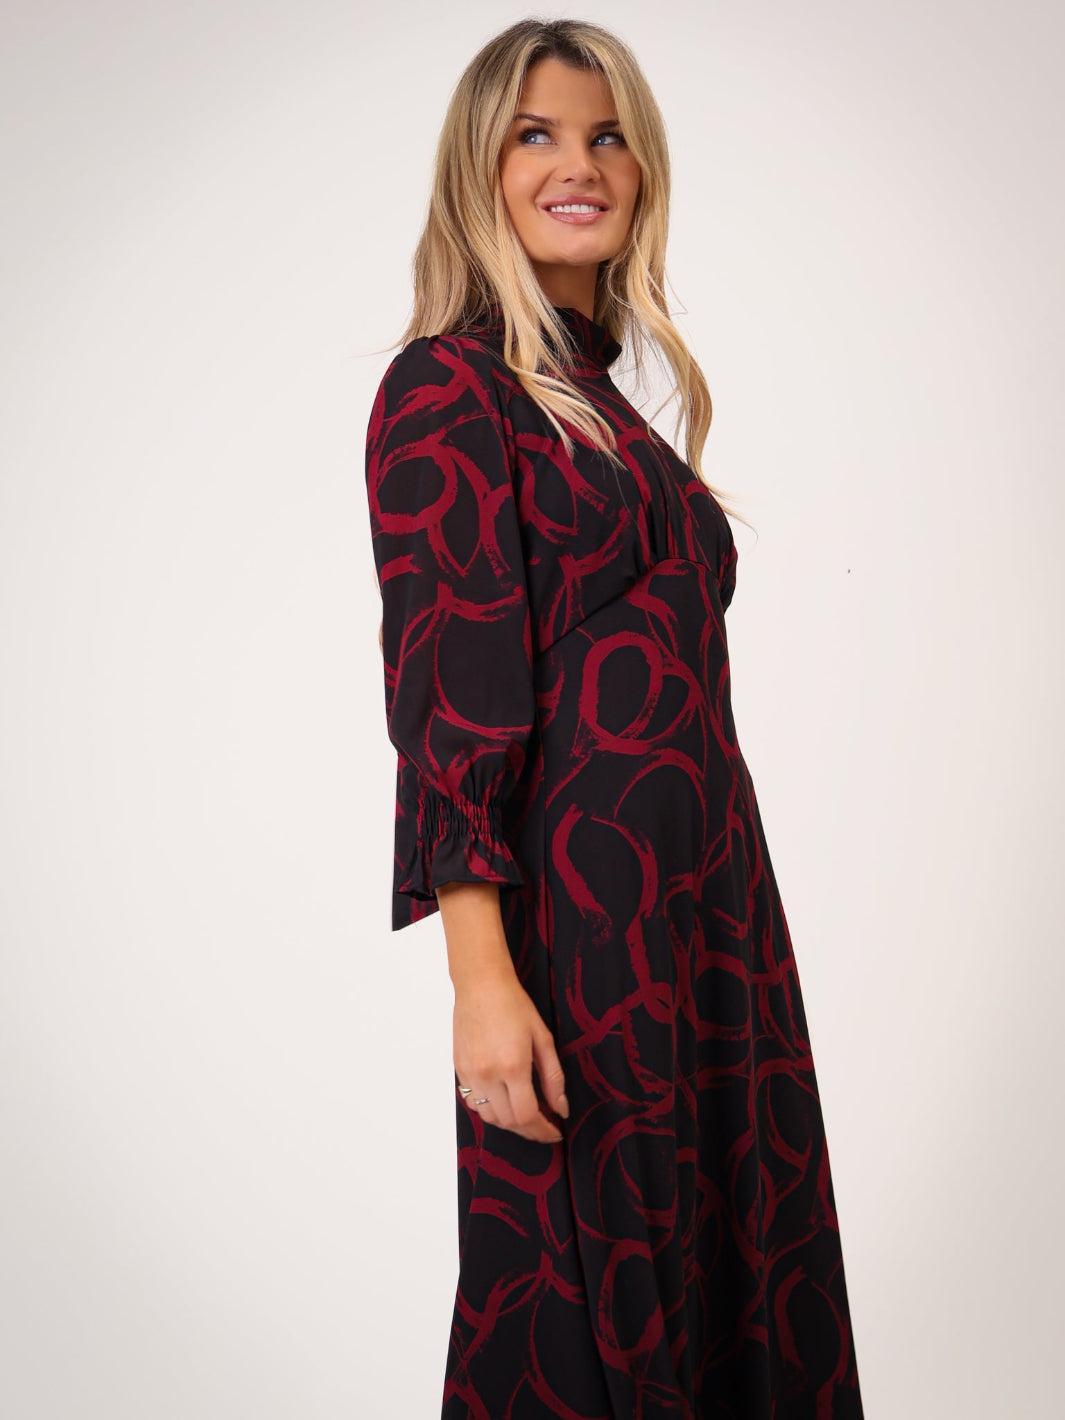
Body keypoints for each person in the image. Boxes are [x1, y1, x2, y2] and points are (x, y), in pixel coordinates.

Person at [363, 17, 864, 1418]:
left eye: (604, 134)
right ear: (478, 167)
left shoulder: (601, 404)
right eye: (533, 133)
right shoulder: (444, 387)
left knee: (732, 1275)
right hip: (583, 932)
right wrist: (480, 978)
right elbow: (447, 698)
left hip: (709, 918)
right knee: (586, 1301)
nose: (575, 162)